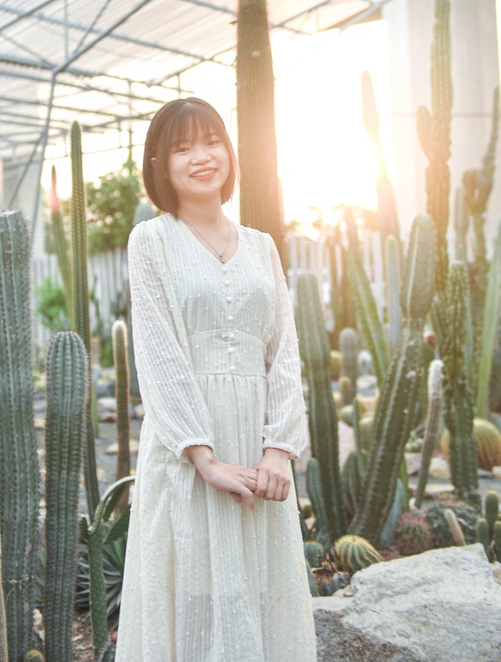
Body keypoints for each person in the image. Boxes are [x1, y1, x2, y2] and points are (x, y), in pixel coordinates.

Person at [115, 97, 317, 662]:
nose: (201, 157)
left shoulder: (262, 246)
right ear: (160, 164)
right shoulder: (151, 241)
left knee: (259, 588)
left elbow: (284, 352)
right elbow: (157, 354)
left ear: (229, 152)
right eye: (182, 148)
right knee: (192, 589)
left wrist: (279, 449)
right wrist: (204, 458)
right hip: (187, 449)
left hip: (258, 448)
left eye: (211, 142)